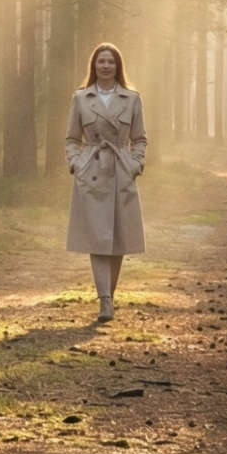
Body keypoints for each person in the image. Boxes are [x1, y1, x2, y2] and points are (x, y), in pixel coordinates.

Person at [65, 43, 147, 323]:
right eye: (101, 61)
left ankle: (108, 295)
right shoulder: (80, 98)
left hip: (122, 170)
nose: (106, 66)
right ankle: (105, 301)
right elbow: (72, 138)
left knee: (119, 239)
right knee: (98, 238)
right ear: (94, 65)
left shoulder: (132, 98)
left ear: (118, 66)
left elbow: (140, 138)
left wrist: (135, 164)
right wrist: (76, 163)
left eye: (110, 62)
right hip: (92, 171)